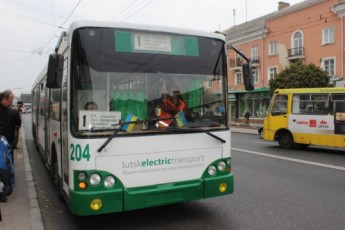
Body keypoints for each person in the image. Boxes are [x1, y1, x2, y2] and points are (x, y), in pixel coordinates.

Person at [0, 90, 21, 161]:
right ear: (4, 100)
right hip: (7, 144)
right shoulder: (12, 112)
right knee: (8, 164)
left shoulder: (12, 112)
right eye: (10, 101)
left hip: (7, 144)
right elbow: (18, 125)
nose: (11, 103)